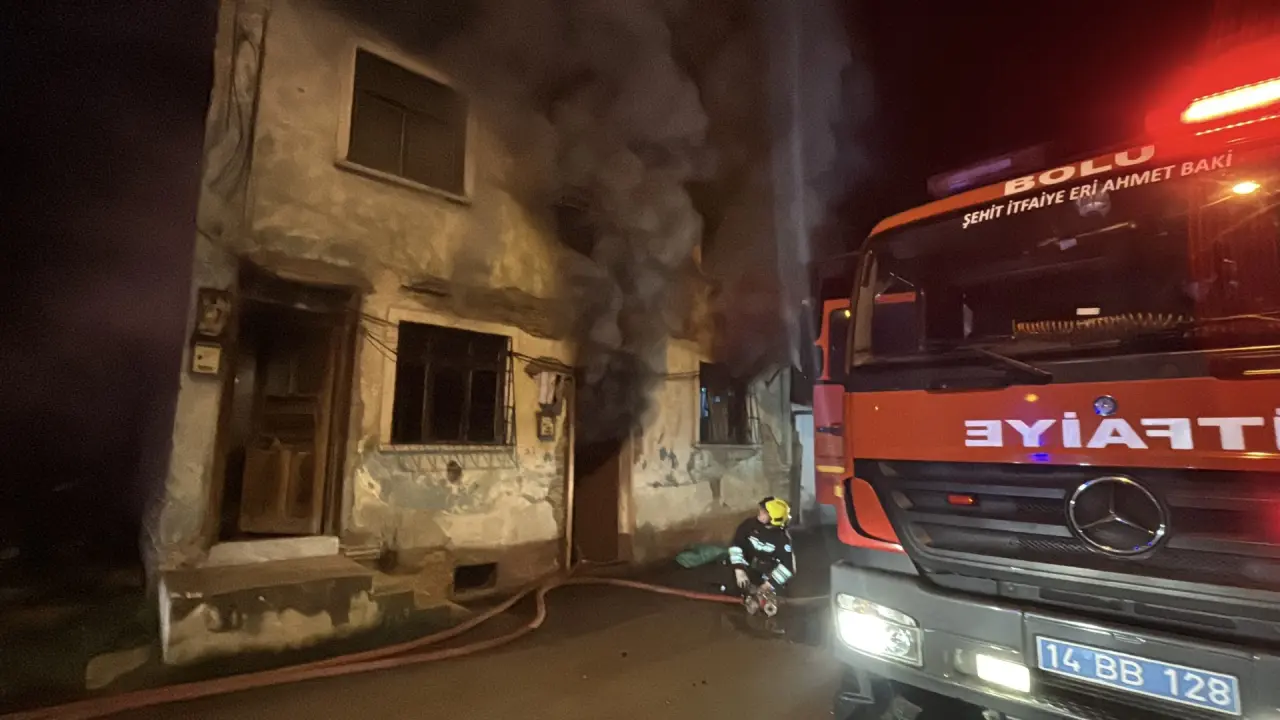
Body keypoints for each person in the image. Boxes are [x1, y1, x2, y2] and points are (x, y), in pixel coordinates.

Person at [729, 496, 796, 599]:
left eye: (764, 512)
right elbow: (736, 545)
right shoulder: (749, 525)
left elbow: (788, 567)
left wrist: (768, 585)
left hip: (768, 574)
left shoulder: (782, 540)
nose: (760, 512)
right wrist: (739, 569)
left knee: (774, 600)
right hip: (748, 568)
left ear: (773, 519)